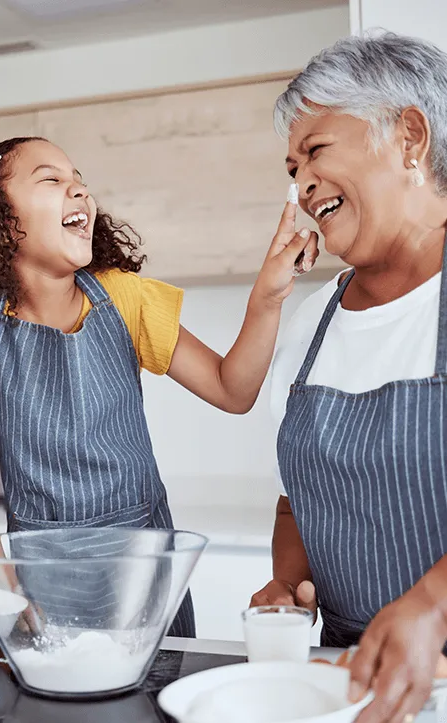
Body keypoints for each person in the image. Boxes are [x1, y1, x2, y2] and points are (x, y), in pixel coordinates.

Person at [0, 136, 317, 635]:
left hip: (145, 568)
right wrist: (0, 591)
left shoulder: (125, 298)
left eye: (79, 179)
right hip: (41, 574)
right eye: (51, 179)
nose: (77, 190)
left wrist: (267, 296)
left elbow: (233, 390)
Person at [251, 32, 447, 723]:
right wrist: (287, 580)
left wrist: (431, 607)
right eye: (292, 166)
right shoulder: (308, 325)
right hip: (346, 685)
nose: (301, 184)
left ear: (409, 138)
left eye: (318, 151)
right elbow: (294, 501)